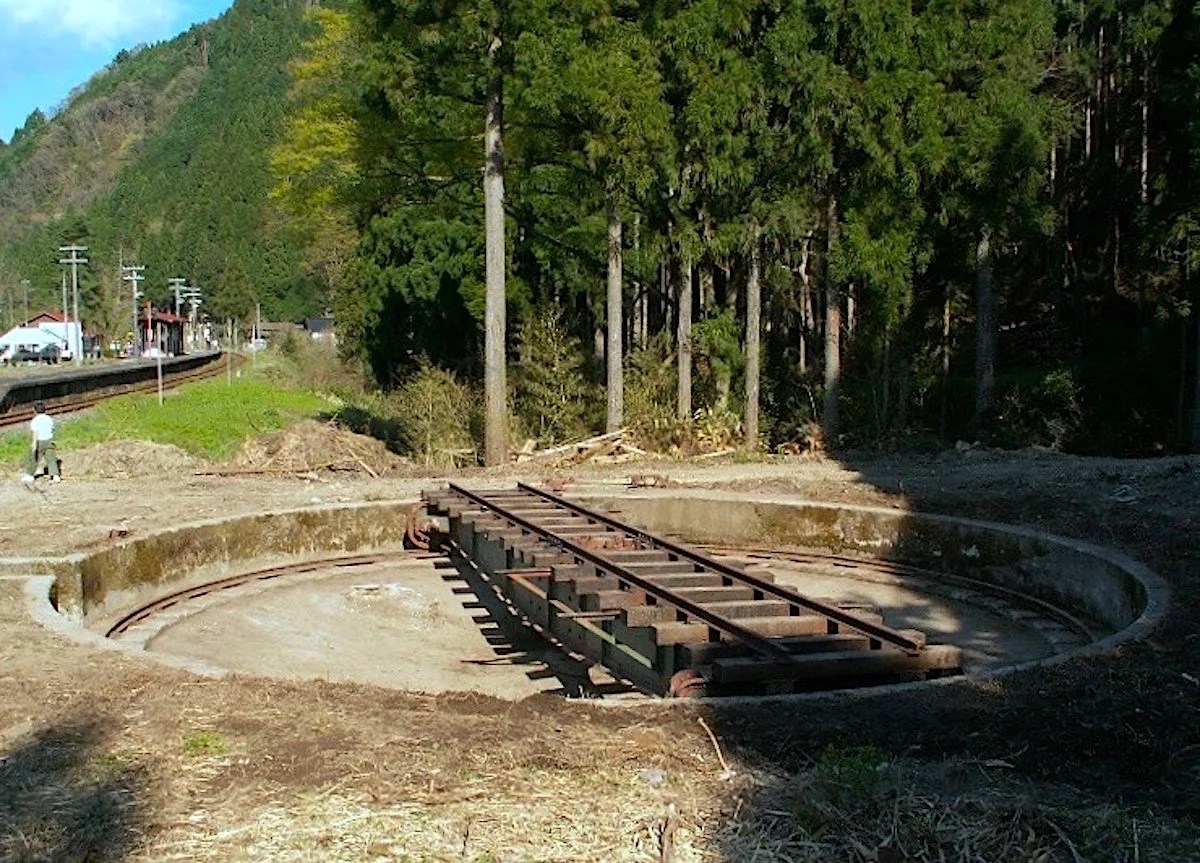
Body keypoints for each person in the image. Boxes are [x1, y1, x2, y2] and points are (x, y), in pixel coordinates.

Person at [23, 402, 60, 484]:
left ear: (35, 411)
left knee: (34, 458)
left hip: (39, 441)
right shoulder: (49, 418)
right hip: (49, 440)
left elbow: (35, 433)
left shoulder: (35, 420)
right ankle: (55, 476)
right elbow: (52, 429)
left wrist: (34, 444)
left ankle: (30, 475)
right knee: (51, 459)